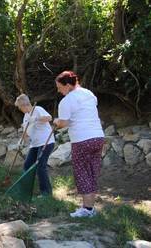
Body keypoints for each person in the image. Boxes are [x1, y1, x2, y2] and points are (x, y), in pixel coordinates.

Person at [53, 71, 104, 218]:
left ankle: (87, 210)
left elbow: (63, 123)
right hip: (98, 137)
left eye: (59, 87)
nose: (58, 90)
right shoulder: (88, 93)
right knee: (93, 171)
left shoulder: (67, 101)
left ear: (68, 85)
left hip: (82, 139)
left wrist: (57, 121)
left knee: (82, 172)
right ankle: (90, 208)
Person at [14, 94, 55, 196]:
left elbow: (49, 118)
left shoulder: (37, 109)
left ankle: (46, 193)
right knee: (27, 165)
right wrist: (21, 141)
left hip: (46, 141)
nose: (20, 109)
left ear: (24, 105)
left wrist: (36, 119)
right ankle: (25, 190)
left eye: (20, 107)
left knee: (41, 166)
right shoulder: (26, 117)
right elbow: (26, 134)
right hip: (35, 144)